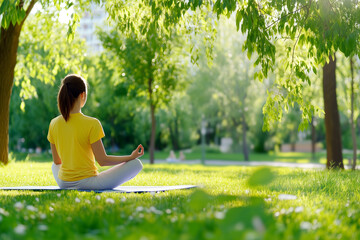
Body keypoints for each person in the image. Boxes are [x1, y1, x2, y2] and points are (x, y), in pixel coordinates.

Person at [47, 74, 144, 190]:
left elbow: (57, 161)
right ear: (83, 95)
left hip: (63, 182)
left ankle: (69, 179)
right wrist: (130, 157)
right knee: (136, 164)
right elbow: (102, 160)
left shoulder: (53, 123)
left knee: (54, 166)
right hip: (88, 183)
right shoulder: (92, 123)